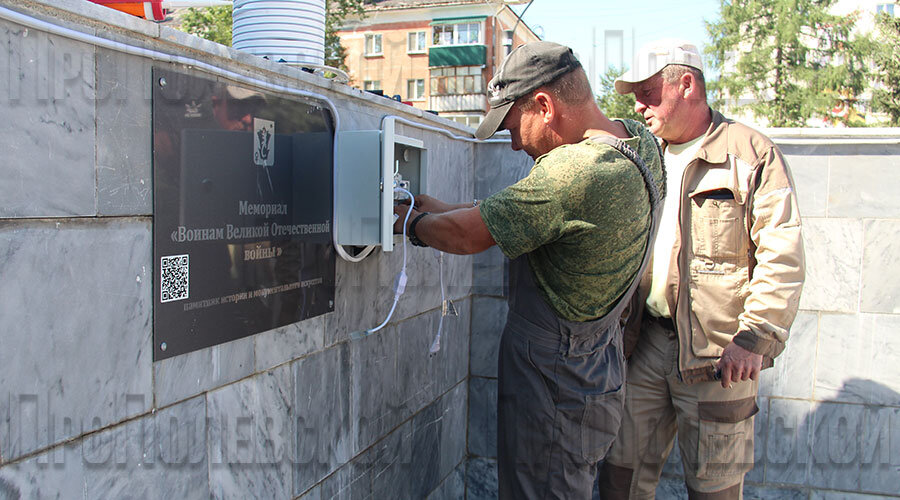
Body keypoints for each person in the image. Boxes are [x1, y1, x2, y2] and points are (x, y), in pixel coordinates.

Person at [392, 41, 665, 499]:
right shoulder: (636, 142)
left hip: (554, 382)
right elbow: (543, 215)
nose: (514, 141)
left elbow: (469, 237)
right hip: (595, 369)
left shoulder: (578, 171)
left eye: (512, 124)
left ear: (544, 106)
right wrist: (448, 208)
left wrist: (409, 223)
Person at [597, 39, 805, 500]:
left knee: (715, 490)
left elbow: (782, 253)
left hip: (721, 360)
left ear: (685, 84)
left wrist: (755, 338)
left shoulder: (750, 153)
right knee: (619, 480)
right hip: (644, 346)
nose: (639, 104)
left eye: (649, 92)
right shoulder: (645, 155)